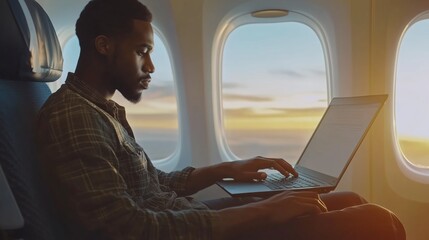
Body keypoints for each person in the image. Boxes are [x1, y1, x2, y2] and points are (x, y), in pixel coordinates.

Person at [36, 0, 405, 239]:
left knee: (351, 198)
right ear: (103, 46)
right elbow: (125, 229)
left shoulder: (102, 111)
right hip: (180, 231)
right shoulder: (74, 117)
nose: (150, 66)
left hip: (181, 216)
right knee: (377, 221)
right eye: (142, 52)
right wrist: (264, 211)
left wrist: (230, 168)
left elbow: (156, 184)